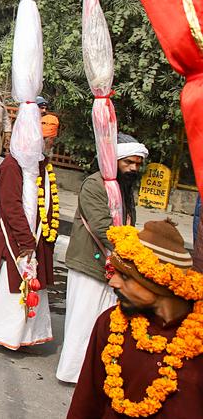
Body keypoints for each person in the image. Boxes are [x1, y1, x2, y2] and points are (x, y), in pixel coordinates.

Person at [66, 220, 203, 418]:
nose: (113, 282)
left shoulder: (196, 337)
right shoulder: (110, 323)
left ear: (157, 283)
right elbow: (87, 400)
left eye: (125, 276)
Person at [56, 136, 147, 383]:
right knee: (83, 321)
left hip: (114, 262)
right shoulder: (95, 184)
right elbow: (102, 226)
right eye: (129, 162)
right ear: (114, 160)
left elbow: (127, 223)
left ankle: (95, 372)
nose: (133, 169)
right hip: (90, 260)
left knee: (106, 321)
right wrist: (132, 250)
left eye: (138, 164)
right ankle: (73, 373)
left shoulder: (124, 188)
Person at [0, 131, 57, 355]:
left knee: (34, 290)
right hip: (16, 239)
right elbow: (11, 207)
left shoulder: (40, 164)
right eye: (44, 138)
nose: (49, 142)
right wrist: (26, 240)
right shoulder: (11, 165)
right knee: (11, 291)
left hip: (37, 237)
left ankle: (22, 338)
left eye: (52, 138)